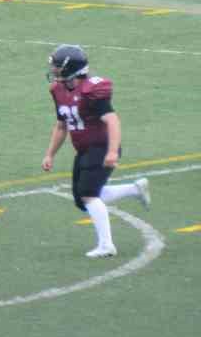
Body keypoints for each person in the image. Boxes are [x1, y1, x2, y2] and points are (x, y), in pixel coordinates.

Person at [42, 43, 151, 258]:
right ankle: (135, 189)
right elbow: (62, 125)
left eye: (57, 66)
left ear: (70, 68)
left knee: (88, 195)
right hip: (84, 150)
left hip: (101, 147)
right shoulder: (58, 90)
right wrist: (50, 154)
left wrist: (112, 151)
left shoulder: (91, 91)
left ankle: (106, 245)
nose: (53, 70)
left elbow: (112, 120)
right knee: (82, 200)